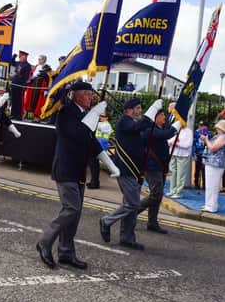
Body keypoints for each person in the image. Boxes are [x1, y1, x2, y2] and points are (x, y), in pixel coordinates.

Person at [37, 82, 119, 269]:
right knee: (71, 209)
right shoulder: (66, 112)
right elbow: (78, 134)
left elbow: (92, 143)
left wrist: (111, 164)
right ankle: (45, 241)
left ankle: (66, 252)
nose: (91, 98)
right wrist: (93, 115)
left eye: (91, 94)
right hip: (65, 168)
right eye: (88, 94)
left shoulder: (84, 115)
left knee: (76, 214)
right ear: (76, 95)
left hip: (79, 170)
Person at [99, 97, 161, 251]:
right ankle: (106, 220)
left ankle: (127, 237)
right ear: (129, 110)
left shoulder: (132, 123)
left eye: (141, 108)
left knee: (130, 206)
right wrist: (152, 110)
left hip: (135, 170)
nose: (139, 111)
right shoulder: (124, 121)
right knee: (133, 203)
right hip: (125, 169)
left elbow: (142, 131)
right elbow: (138, 126)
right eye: (138, 108)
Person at [139, 106, 180, 233]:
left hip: (159, 167)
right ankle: (132, 211)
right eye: (162, 115)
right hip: (151, 166)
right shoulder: (149, 128)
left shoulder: (158, 128)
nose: (164, 117)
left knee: (158, 194)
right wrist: (178, 123)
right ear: (155, 117)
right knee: (156, 194)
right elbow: (166, 135)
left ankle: (152, 221)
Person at [200, 120, 225, 213]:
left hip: (216, 164)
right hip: (211, 162)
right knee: (209, 185)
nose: (216, 129)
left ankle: (212, 206)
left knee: (213, 185)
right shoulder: (220, 136)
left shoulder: (224, 137)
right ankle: (208, 204)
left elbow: (213, 148)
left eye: (218, 127)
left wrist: (206, 140)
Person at [166, 124, 193, 199]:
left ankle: (178, 192)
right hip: (173, 153)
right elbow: (169, 140)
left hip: (183, 155)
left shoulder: (188, 131)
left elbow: (188, 144)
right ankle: (172, 190)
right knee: (173, 172)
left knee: (180, 174)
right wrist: (172, 142)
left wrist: (176, 144)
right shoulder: (176, 129)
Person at [86, 113, 113, 189]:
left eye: (103, 116)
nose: (101, 117)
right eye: (100, 116)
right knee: (93, 164)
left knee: (94, 164)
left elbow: (94, 128)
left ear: (107, 118)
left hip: (100, 145)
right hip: (97, 145)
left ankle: (95, 183)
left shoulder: (106, 125)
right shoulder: (101, 124)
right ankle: (94, 182)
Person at [23, 55, 52, 122]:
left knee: (39, 103)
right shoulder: (36, 67)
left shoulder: (47, 68)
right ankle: (30, 116)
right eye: (38, 59)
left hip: (41, 88)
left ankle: (37, 118)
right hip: (33, 86)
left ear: (44, 60)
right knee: (31, 101)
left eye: (40, 59)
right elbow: (31, 74)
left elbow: (49, 78)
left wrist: (46, 89)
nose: (39, 61)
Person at [9, 51, 31, 119]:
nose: (21, 58)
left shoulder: (27, 65)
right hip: (14, 83)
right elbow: (11, 63)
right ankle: (13, 114)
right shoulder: (18, 63)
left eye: (23, 57)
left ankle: (18, 115)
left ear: (26, 57)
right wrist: (13, 57)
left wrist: (25, 85)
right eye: (20, 57)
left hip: (21, 84)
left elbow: (26, 77)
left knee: (19, 100)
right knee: (13, 99)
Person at [192, 121, 209, 190]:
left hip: (205, 154)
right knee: (197, 170)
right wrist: (194, 154)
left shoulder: (208, 133)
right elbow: (193, 144)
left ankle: (205, 185)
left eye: (204, 126)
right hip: (198, 153)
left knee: (205, 170)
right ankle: (196, 184)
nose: (202, 127)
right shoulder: (196, 133)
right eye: (201, 125)